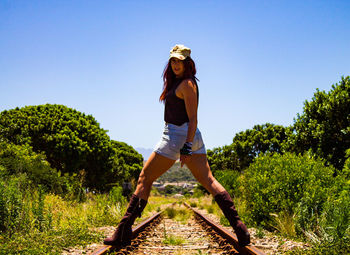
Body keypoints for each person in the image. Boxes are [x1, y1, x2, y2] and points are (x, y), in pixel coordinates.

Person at [104, 44, 251, 247]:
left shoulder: (187, 85)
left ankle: (122, 232)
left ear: (187, 63)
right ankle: (240, 228)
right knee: (208, 180)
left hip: (177, 135)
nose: (175, 64)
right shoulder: (183, 83)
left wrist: (186, 147)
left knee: (145, 177)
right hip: (190, 136)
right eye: (173, 60)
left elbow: (193, 119)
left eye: (179, 61)